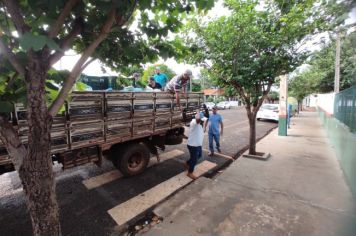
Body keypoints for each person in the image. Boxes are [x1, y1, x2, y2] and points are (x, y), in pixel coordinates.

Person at [185, 113, 207, 180]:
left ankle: (187, 163)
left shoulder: (200, 125)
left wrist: (205, 127)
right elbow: (197, 121)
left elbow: (206, 120)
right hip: (192, 145)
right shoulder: (194, 122)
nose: (203, 121)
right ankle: (190, 172)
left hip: (198, 144)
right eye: (202, 120)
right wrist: (198, 115)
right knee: (194, 159)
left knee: (199, 155)